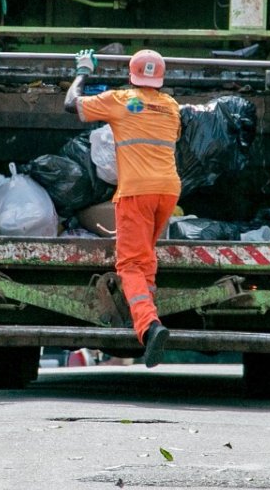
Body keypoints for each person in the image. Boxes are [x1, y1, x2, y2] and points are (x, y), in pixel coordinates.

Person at [64, 47, 180, 368]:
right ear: (161, 77)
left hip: (136, 192)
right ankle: (146, 310)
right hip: (168, 190)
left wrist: (83, 71)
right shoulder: (171, 106)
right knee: (146, 256)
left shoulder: (121, 100)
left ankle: (148, 326)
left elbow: (70, 104)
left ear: (132, 75)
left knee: (128, 264)